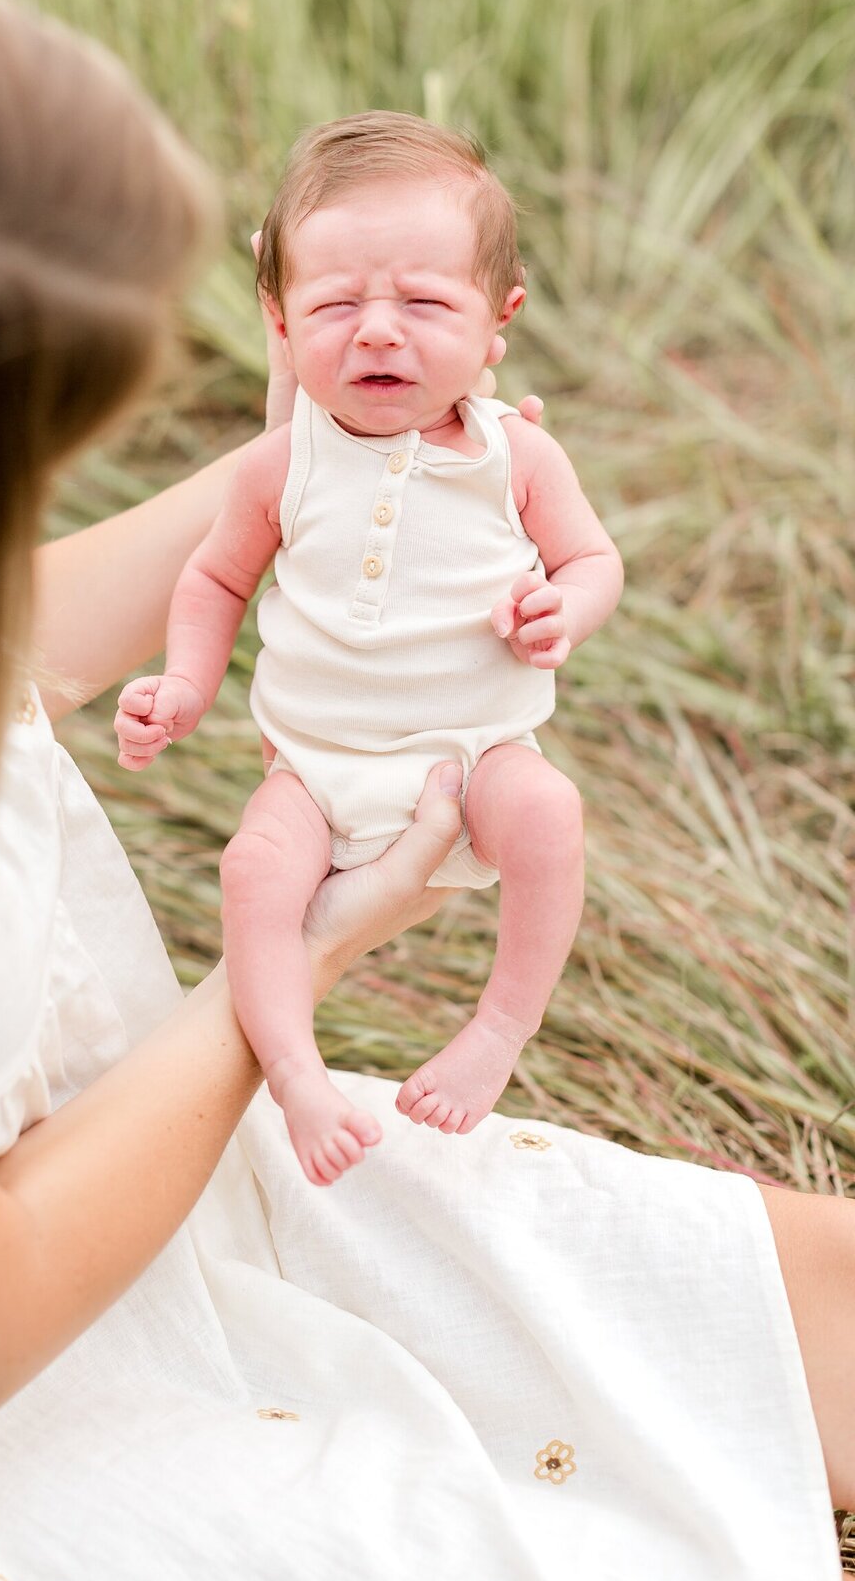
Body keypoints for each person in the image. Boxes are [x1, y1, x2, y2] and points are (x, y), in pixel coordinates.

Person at [0, 0, 850, 1581]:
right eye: (10, 453)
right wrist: (304, 962)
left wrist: (360, 444)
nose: (35, 499)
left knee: (791, 1297)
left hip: (176, 1202)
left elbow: (22, 631)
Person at [115, 115, 623, 1185]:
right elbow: (215, 577)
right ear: (279, 320)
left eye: (427, 305)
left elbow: (592, 560)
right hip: (314, 768)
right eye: (335, 305)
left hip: (475, 749)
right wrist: (185, 683)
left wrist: (565, 609)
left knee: (549, 815)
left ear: (500, 323)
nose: (378, 334)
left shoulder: (515, 454)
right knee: (255, 871)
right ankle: (296, 1074)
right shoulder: (279, 462)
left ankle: (498, 1031)